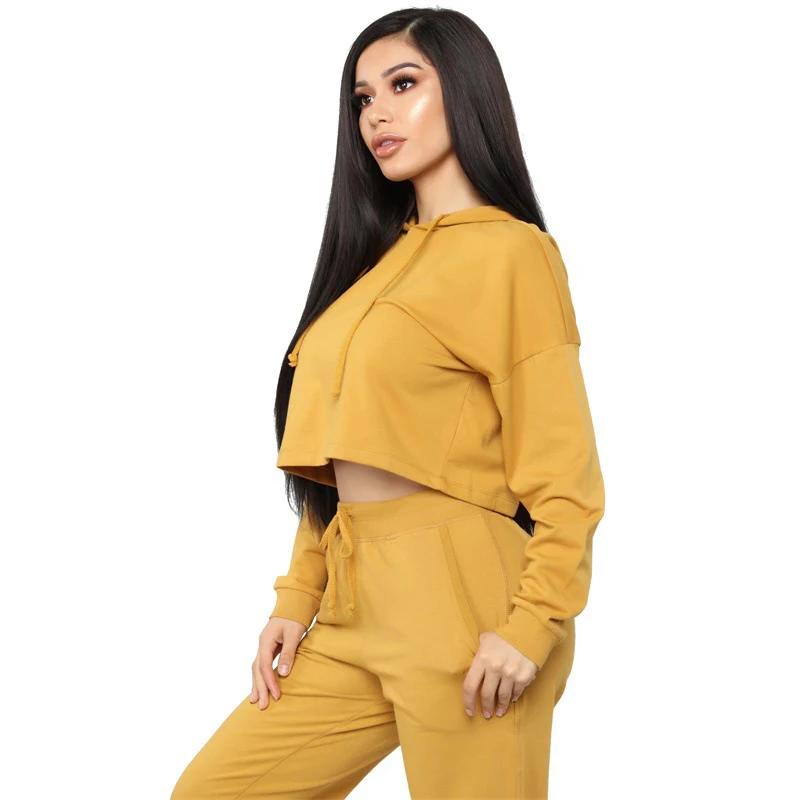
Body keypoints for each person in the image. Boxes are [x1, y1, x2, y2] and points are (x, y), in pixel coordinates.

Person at [171, 7, 605, 799]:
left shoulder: (513, 254)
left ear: (465, 90)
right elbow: (340, 460)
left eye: (404, 84)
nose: (377, 114)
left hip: (466, 599)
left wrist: (533, 624)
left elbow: (564, 472)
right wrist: (298, 594)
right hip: (353, 601)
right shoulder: (372, 265)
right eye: (362, 98)